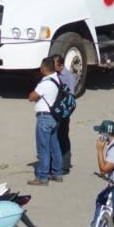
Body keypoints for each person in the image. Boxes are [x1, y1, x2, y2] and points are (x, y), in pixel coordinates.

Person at [27, 57, 63, 185]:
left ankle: (42, 177)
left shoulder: (45, 83)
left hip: (44, 118)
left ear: (44, 68)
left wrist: (35, 97)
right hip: (54, 117)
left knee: (43, 148)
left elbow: (32, 96)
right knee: (55, 146)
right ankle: (57, 173)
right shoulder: (57, 79)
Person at [52, 54, 76, 171]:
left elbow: (70, 97)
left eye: (54, 65)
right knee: (54, 137)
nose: (52, 67)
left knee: (63, 136)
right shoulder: (54, 74)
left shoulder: (69, 77)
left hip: (63, 112)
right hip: (54, 110)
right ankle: (55, 163)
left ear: (61, 65)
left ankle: (65, 164)